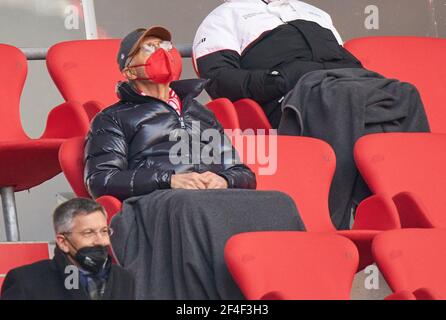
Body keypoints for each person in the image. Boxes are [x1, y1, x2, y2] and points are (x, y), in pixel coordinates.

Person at [84, 25, 256, 201]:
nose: (162, 52)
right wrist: (168, 180)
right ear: (130, 72)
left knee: (278, 202)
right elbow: (101, 180)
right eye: (149, 48)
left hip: (214, 199)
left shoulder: (202, 113)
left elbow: (242, 172)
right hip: (160, 202)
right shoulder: (112, 118)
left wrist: (225, 180)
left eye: (165, 46)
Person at [193, 0, 362, 129]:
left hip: (351, 87)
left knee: (384, 96)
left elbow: (346, 62)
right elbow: (218, 80)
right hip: (290, 101)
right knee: (350, 108)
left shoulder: (317, 14)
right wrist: (280, 79)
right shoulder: (224, 15)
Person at [1, 198, 135, 300]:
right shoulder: (26, 281)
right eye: (88, 233)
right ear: (63, 242)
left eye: (104, 231)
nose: (100, 241)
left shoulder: (124, 278)